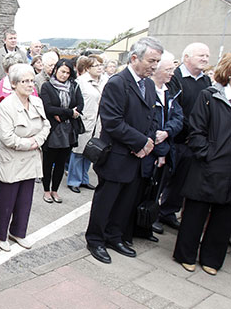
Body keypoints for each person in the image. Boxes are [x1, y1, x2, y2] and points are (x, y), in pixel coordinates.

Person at [85, 37, 162, 264]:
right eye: (152, 60)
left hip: (138, 158)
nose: (155, 66)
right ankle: (96, 239)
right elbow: (113, 122)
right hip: (116, 156)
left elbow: (151, 116)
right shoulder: (118, 83)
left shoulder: (148, 84)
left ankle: (114, 236)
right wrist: (140, 143)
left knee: (126, 201)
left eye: (157, 61)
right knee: (106, 201)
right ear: (135, 57)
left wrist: (148, 142)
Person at [173, 52, 231, 276]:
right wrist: (208, 155)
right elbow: (196, 131)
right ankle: (185, 255)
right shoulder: (210, 96)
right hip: (207, 166)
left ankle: (212, 259)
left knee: (224, 217)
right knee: (195, 213)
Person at [124, 52, 183, 243]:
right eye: (167, 69)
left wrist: (167, 133)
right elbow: (149, 123)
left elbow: (178, 119)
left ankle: (145, 227)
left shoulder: (170, 93)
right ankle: (129, 230)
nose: (171, 74)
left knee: (153, 192)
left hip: (163, 150)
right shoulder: (148, 90)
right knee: (136, 193)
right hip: (147, 151)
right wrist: (157, 146)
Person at [0, 64, 50, 251]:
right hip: (11, 160)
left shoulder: (37, 102)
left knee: (25, 201)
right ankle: (1, 235)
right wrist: (30, 143)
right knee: (6, 202)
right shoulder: (6, 106)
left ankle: (18, 232)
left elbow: (46, 126)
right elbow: (7, 137)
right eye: (25, 81)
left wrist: (37, 141)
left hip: (31, 159)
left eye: (32, 81)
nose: (30, 84)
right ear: (14, 84)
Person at [159, 42, 211, 230]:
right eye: (201, 56)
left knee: (181, 180)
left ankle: (167, 212)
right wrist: (193, 128)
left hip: (193, 141)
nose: (205, 59)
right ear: (186, 57)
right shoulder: (176, 78)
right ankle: (153, 213)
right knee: (164, 178)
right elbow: (175, 109)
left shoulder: (206, 81)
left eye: (207, 56)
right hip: (175, 138)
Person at [39, 58, 83, 204]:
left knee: (61, 162)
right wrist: (69, 112)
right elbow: (48, 108)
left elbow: (80, 105)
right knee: (48, 161)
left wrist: (64, 113)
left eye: (67, 73)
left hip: (68, 130)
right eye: (62, 71)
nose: (64, 75)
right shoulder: (47, 86)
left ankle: (55, 190)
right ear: (56, 70)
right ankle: (46, 190)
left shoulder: (74, 86)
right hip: (53, 130)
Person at [67, 55, 106, 193]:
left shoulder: (105, 81)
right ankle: (73, 180)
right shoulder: (81, 82)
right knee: (78, 152)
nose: (100, 68)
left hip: (98, 121)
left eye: (102, 65)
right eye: (96, 66)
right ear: (88, 68)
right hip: (84, 121)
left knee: (92, 151)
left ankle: (84, 179)